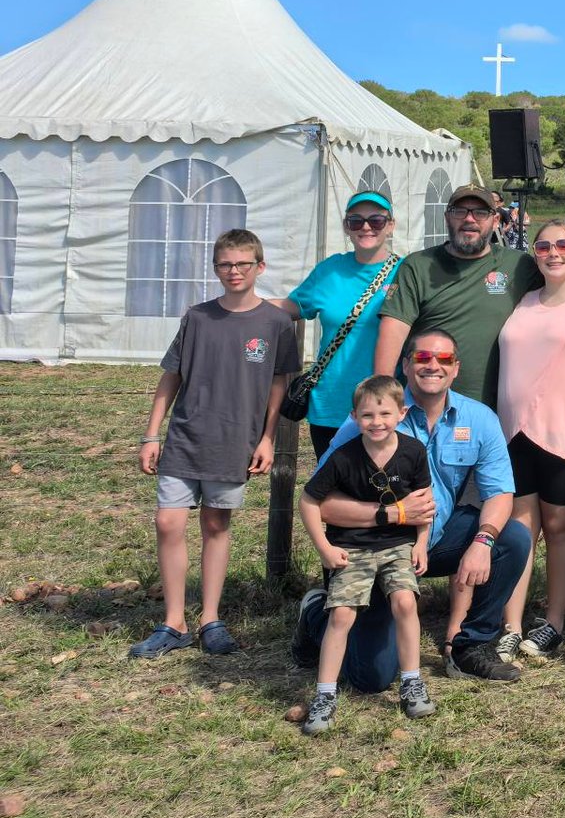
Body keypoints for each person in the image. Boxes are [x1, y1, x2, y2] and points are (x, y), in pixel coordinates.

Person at [292, 328, 533, 688]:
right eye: (422, 357)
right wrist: (393, 513)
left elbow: (500, 493)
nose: (432, 365)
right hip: (370, 549)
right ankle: (316, 613)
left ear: (456, 368)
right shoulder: (376, 416)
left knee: (511, 538)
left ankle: (471, 648)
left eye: (443, 359)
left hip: (432, 542)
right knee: (371, 679)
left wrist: (482, 543)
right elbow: (320, 503)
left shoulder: (479, 419)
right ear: (405, 365)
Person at [130, 229, 299, 659]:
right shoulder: (198, 317)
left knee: (215, 524)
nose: (234, 271)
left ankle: (209, 617)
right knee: (168, 522)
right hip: (186, 437)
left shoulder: (276, 323)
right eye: (225, 264)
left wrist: (267, 437)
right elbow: (172, 375)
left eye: (243, 263)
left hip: (235, 440)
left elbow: (278, 382)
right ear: (215, 268)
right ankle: (173, 621)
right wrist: (153, 433)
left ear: (260, 267)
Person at [494, 220, 565, 662]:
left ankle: (554, 621)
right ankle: (510, 624)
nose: (553, 252)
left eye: (564, 244)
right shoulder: (522, 299)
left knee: (559, 527)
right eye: (544, 245)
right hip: (513, 430)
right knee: (519, 529)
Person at [296, 376, 434, 733]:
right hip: (351, 547)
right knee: (342, 614)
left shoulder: (414, 452)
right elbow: (310, 501)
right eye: (368, 415)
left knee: (405, 602)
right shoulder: (343, 457)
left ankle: (412, 682)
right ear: (354, 416)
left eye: (385, 413)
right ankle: (325, 695)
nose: (377, 422)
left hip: (397, 545)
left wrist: (420, 543)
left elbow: (425, 504)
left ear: (402, 413)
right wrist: (324, 548)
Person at [373, 183, 541, 410]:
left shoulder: (519, 265)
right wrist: (382, 394)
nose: (469, 219)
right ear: (447, 217)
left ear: (495, 221)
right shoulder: (419, 266)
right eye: (460, 211)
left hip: (496, 410)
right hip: (427, 406)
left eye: (480, 212)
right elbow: (394, 328)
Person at [277, 189, 405, 459]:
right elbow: (291, 307)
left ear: (390, 225)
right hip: (332, 402)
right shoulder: (330, 270)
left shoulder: (406, 272)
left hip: (385, 405)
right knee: (331, 490)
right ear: (347, 227)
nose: (366, 227)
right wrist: (237, 303)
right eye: (356, 221)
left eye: (376, 220)